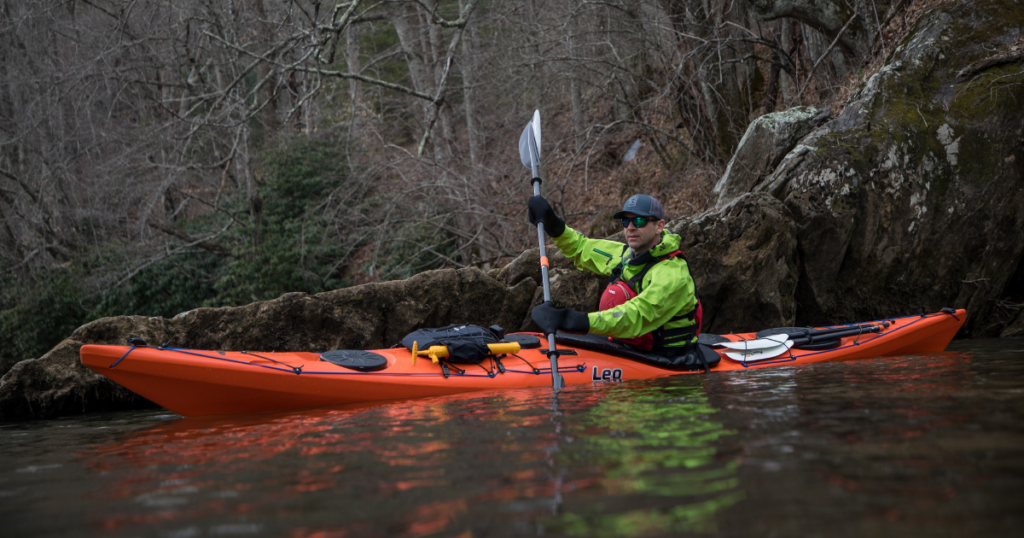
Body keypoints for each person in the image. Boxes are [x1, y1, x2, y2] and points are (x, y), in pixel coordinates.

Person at [528, 193, 705, 368]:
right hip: (634, 345)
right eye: (625, 221)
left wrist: (574, 321)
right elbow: (581, 247)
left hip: (671, 358)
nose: (631, 227)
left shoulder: (672, 273)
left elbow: (637, 315)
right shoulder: (627, 256)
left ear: (659, 226)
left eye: (639, 221)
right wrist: (552, 223)